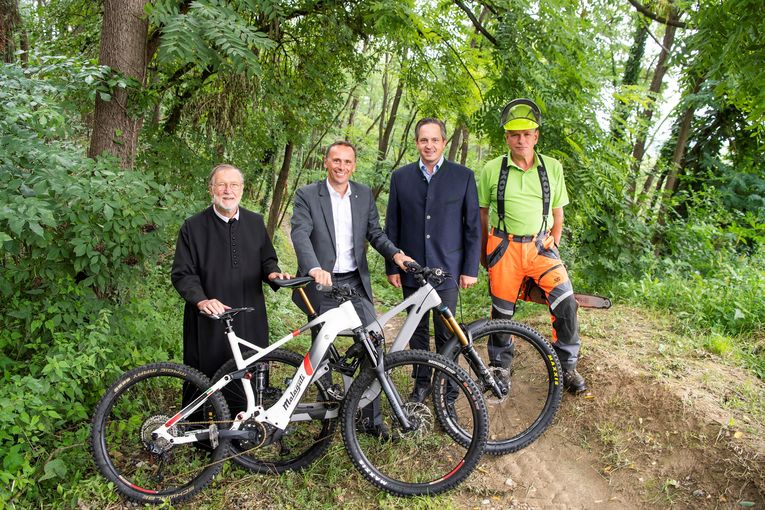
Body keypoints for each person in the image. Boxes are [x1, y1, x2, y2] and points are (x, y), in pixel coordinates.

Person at [290, 140, 413, 437]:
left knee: (373, 342)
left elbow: (374, 234)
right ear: (326, 162)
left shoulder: (362, 195)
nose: (341, 166)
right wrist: (313, 267)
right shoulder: (307, 194)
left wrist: (396, 255)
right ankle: (327, 417)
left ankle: (370, 418)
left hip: (354, 282)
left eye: (347, 162)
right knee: (322, 348)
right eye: (336, 160)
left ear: (353, 165)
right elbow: (300, 233)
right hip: (322, 282)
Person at [477, 98, 586, 394]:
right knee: (501, 312)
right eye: (515, 135)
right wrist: (485, 252)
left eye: (527, 134)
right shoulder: (492, 169)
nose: (521, 140)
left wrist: (556, 239)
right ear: (507, 138)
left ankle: (567, 366)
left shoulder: (551, 167)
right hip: (504, 247)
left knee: (565, 302)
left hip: (540, 246)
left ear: (536, 136)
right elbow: (483, 213)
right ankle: (500, 368)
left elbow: (558, 209)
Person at [384, 118, 481, 402]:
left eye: (434, 140)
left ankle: (448, 390)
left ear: (443, 142)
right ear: (416, 143)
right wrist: (393, 266)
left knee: (446, 334)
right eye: (424, 140)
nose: (429, 145)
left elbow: (472, 226)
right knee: (416, 332)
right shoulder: (400, 177)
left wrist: (469, 268)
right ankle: (422, 384)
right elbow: (393, 225)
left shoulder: (462, 176)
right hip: (412, 269)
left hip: (447, 270)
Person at [172, 164, 291, 379]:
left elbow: (267, 259)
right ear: (211, 189)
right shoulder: (192, 227)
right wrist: (202, 301)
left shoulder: (255, 222)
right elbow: (183, 274)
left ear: (242, 189)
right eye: (222, 185)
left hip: (250, 316)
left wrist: (273, 274)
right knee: (208, 384)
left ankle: (248, 414)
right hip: (209, 319)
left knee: (250, 379)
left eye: (234, 185)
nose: (228, 190)